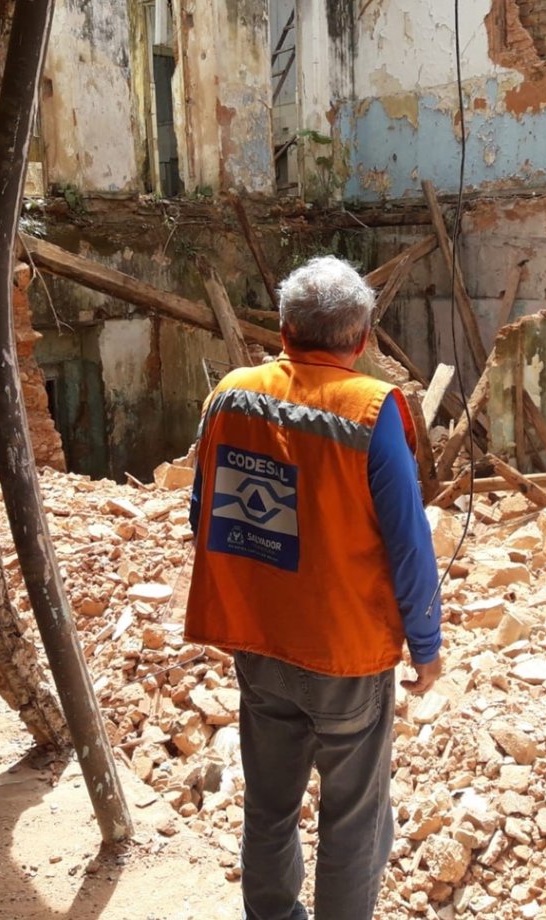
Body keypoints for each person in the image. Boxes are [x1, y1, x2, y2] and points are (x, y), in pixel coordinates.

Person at [184, 255, 444, 920]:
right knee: (354, 822)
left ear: (283, 329)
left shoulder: (231, 395)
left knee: (269, 806)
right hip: (346, 655)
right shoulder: (369, 410)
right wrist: (426, 644)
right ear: (360, 341)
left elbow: (202, 513)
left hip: (260, 642)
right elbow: (408, 541)